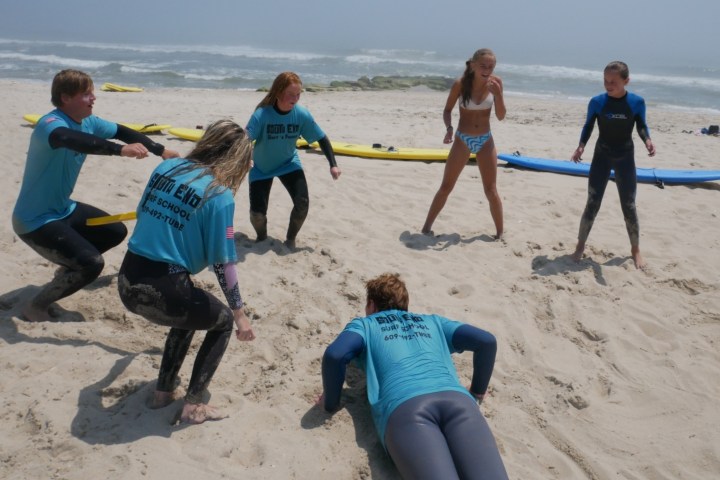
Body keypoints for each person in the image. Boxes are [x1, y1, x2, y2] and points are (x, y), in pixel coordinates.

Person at [11, 69, 179, 322]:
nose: (93, 97)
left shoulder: (89, 121)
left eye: (92, 92)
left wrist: (160, 149)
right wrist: (119, 151)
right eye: (86, 94)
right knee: (92, 264)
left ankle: (68, 268)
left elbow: (121, 130)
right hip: (35, 220)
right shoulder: (50, 126)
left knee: (115, 231)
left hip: (63, 209)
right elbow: (72, 139)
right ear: (66, 98)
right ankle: (36, 306)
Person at [117, 119, 255, 424]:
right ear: (236, 158)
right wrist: (239, 313)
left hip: (127, 280)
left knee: (192, 308)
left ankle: (162, 393)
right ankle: (194, 406)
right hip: (163, 292)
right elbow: (223, 262)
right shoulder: (220, 196)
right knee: (220, 322)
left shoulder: (166, 168)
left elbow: (143, 213)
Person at [319, 273, 508, 480]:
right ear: (405, 304)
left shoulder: (366, 325)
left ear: (371, 305)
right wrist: (477, 391)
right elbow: (487, 342)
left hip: (406, 409)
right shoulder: (433, 322)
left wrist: (330, 403)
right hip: (459, 401)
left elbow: (335, 355)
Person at [570, 61, 656, 269]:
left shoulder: (637, 102)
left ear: (626, 81)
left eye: (613, 81)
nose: (608, 85)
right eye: (605, 80)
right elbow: (589, 125)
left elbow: (642, 126)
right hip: (602, 155)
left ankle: (635, 250)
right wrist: (581, 146)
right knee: (592, 202)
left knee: (629, 205)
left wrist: (648, 140)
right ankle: (580, 247)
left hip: (625, 156)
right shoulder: (597, 102)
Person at [245, 71, 341, 250]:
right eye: (291, 94)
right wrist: (246, 157)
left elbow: (321, 138)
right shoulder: (262, 114)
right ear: (278, 92)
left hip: (288, 164)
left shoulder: (301, 114)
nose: (295, 99)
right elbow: (245, 139)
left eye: (298, 94)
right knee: (257, 214)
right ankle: (262, 237)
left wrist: (333, 165)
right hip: (261, 167)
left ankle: (290, 239)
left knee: (302, 204)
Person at [422, 49, 506, 238]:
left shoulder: (496, 84)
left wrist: (499, 95)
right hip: (462, 139)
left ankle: (500, 234)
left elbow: (501, 116)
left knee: (491, 190)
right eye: (483, 65)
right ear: (474, 65)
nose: (487, 70)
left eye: (490, 66)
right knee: (446, 187)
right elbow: (447, 110)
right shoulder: (460, 84)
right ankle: (426, 228)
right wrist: (449, 128)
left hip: (486, 140)